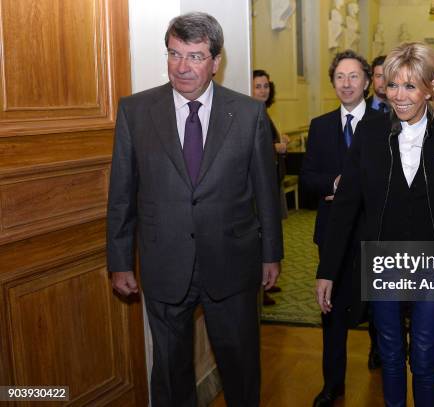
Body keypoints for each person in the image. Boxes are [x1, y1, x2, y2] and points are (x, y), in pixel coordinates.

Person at [106, 12, 283, 407]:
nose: (182, 67)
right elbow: (121, 193)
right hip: (164, 262)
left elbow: (265, 193)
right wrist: (119, 261)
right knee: (170, 372)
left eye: (196, 56)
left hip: (232, 262)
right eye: (174, 53)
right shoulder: (135, 112)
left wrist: (271, 254)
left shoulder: (249, 114)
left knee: (240, 366)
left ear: (216, 61)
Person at [316, 42, 434, 406]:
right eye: (393, 85)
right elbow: (346, 207)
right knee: (388, 353)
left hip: (433, 264)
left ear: (431, 87)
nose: (399, 96)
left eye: (410, 86)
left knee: (424, 354)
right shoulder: (370, 134)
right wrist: (327, 271)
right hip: (383, 262)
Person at [301, 50, 382, 407]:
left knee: (380, 306)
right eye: (340, 77)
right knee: (331, 311)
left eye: (354, 77)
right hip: (331, 234)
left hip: (374, 234)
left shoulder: (385, 124)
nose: (346, 84)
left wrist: (358, 191)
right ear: (333, 82)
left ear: (367, 82)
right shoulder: (320, 126)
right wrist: (336, 185)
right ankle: (332, 384)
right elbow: (307, 178)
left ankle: (382, 357)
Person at [252, 69, 288, 305]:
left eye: (266, 85)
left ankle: (267, 280)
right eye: (258, 86)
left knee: (272, 231)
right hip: (259, 189)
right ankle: (260, 287)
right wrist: (278, 147)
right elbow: (258, 151)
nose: (263, 90)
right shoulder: (252, 114)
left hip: (273, 183)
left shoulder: (264, 112)